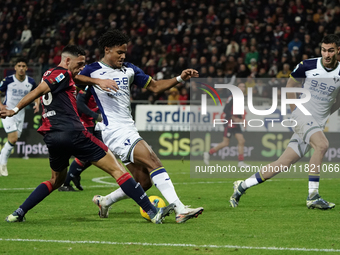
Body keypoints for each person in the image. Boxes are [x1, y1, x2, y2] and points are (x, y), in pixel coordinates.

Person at [1, 45, 175, 223]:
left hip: (52, 137)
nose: (82, 67)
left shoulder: (49, 73)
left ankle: (19, 213)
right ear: (67, 60)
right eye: (80, 63)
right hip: (73, 132)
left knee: (56, 180)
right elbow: (38, 91)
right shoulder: (62, 74)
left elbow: (49, 87)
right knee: (118, 170)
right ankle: (153, 212)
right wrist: (14, 109)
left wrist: (96, 82)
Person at [75, 29, 203, 223]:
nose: (123, 56)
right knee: (153, 161)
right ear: (107, 50)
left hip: (128, 128)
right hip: (115, 130)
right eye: (119, 52)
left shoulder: (130, 69)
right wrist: (97, 81)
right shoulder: (93, 70)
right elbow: (74, 78)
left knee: (143, 182)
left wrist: (179, 78)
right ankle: (180, 209)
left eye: (125, 52)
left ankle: (105, 201)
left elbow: (156, 86)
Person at [229, 34, 340, 210]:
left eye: (331, 51)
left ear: (338, 51)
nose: (326, 54)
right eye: (324, 50)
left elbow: (338, 100)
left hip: (315, 124)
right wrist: (294, 112)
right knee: (322, 145)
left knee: (282, 164)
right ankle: (313, 196)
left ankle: (241, 186)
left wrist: (328, 115)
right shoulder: (308, 65)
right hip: (301, 115)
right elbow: (290, 86)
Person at [0, 57, 39, 176]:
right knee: (13, 138)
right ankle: (2, 165)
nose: (21, 68)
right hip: (7, 112)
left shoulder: (30, 82)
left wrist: (37, 103)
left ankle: (1, 161)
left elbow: (37, 92)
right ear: (15, 67)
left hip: (20, 114)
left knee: (14, 139)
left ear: (27, 68)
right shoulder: (8, 80)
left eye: (23, 66)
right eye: (19, 66)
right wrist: (1, 105)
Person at [58, 86, 102, 191]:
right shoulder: (89, 86)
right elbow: (79, 103)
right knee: (86, 153)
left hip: (93, 123)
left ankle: (76, 173)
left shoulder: (103, 85)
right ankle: (65, 183)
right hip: (84, 123)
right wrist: (95, 115)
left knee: (100, 152)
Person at [203, 83, 251, 168]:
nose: (242, 88)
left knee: (241, 140)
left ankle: (240, 162)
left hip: (235, 123)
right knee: (225, 143)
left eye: (243, 87)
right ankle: (208, 153)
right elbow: (226, 109)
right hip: (229, 122)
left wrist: (241, 119)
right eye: (240, 86)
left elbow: (238, 111)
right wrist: (234, 118)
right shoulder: (232, 97)